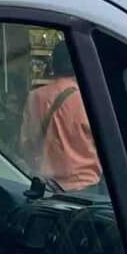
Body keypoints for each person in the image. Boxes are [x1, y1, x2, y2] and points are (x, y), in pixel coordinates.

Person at [19, 39, 103, 191]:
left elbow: (26, 145)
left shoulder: (35, 97)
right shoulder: (88, 98)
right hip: (86, 187)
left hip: (47, 187)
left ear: (53, 65)